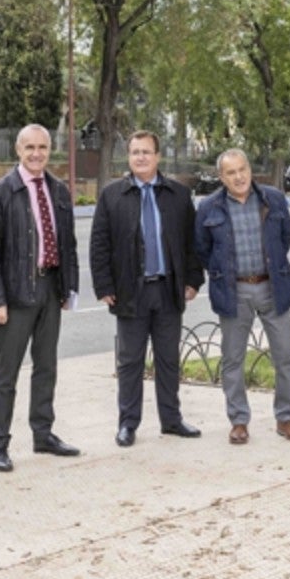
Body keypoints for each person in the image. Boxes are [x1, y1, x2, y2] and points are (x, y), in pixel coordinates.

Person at [90, 130, 206, 447]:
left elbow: (192, 243)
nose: (140, 157)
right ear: (128, 157)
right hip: (130, 291)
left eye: (146, 152)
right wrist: (104, 285)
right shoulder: (112, 195)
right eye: (135, 152)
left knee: (168, 358)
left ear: (158, 156)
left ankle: (171, 420)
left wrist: (194, 280)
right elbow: (99, 244)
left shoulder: (179, 195)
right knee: (130, 362)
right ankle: (128, 423)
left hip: (168, 290)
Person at [0, 123, 81, 472]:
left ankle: (43, 433)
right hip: (16, 294)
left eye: (42, 147)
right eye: (29, 148)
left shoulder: (58, 190)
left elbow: (68, 243)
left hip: (51, 289)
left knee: (47, 366)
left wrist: (70, 288)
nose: (36, 154)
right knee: (7, 373)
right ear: (18, 150)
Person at [195, 148, 290, 445]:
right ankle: (239, 421)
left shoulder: (274, 199)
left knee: (285, 356)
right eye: (231, 172)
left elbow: (285, 238)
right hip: (234, 291)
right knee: (232, 360)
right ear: (221, 177)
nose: (239, 176)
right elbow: (203, 250)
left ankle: (286, 417)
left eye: (242, 169)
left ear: (250, 169)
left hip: (273, 288)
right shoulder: (209, 207)